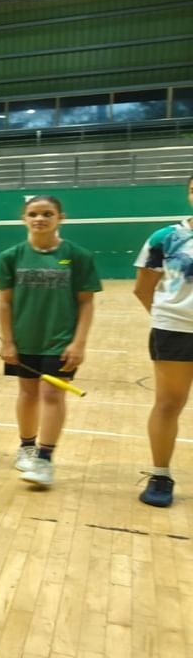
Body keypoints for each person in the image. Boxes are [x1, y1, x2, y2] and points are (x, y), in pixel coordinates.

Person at [0, 195, 100, 489]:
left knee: (53, 395)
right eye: (33, 213)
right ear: (24, 219)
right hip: (23, 339)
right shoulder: (10, 256)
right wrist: (8, 341)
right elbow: (5, 303)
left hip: (60, 341)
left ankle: (44, 458)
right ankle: (26, 446)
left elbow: (86, 303)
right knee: (27, 393)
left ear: (60, 217)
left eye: (47, 213)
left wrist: (79, 343)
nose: (39, 218)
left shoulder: (78, 256)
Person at [132, 176, 193, 507]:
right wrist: (167, 318)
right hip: (176, 330)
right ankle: (160, 475)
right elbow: (143, 288)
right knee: (169, 404)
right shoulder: (166, 237)